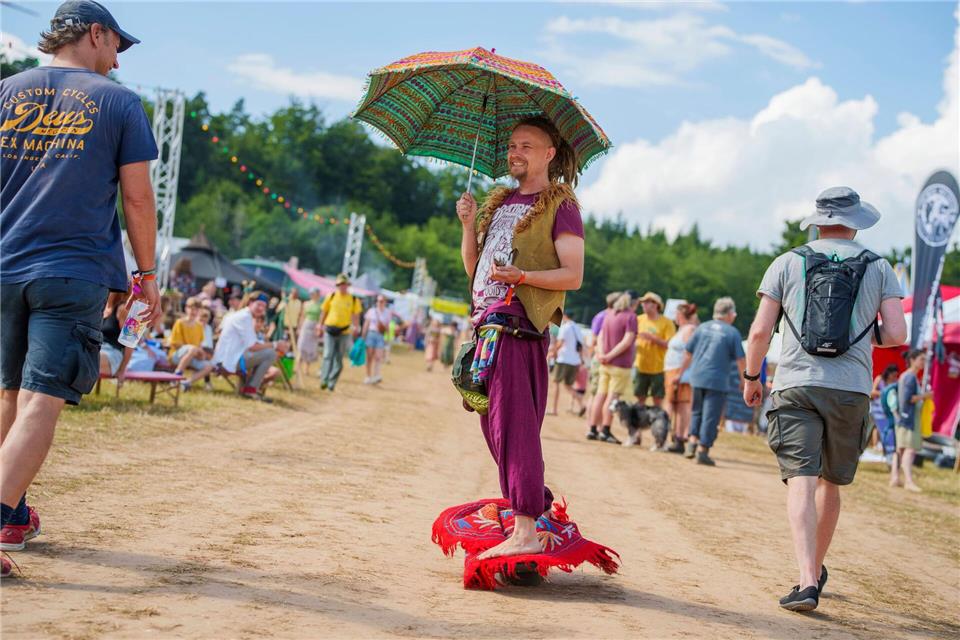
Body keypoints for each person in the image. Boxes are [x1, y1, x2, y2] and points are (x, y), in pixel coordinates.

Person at [0, 1, 159, 577]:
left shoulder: (5, 91)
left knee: (8, 396)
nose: (117, 61)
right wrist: (147, 276)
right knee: (41, 399)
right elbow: (137, 197)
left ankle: (13, 515)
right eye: (117, 45)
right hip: (71, 271)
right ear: (95, 34)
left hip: (3, 266)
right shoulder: (119, 102)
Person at [743, 186, 906, 612]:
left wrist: (752, 377)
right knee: (829, 482)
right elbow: (896, 334)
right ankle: (816, 567)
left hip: (797, 382)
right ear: (856, 223)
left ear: (817, 221)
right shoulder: (879, 267)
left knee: (800, 477)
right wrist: (860, 337)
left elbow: (759, 332)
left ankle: (806, 581)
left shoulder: (787, 262)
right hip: (851, 387)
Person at [455, 115, 584, 560]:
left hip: (518, 326)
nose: (515, 152)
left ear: (549, 154)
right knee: (494, 427)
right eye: (512, 145)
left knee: (515, 427)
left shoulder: (560, 205)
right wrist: (468, 224)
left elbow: (573, 275)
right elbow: (474, 268)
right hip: (486, 325)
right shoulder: (500, 202)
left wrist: (523, 275)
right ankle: (534, 509)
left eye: (526, 146)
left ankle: (526, 526)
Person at [677, 297, 746, 466]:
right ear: (729, 314)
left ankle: (691, 443)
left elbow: (688, 353)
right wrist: (744, 380)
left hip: (697, 377)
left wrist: (680, 374)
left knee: (696, 411)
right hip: (717, 380)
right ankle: (702, 451)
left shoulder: (702, 327)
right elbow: (741, 360)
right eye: (733, 313)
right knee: (711, 416)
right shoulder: (732, 332)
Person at [212, 292, 289, 400]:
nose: (261, 308)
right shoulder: (244, 317)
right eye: (259, 304)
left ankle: (252, 387)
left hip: (231, 358)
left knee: (268, 353)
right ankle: (251, 390)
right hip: (226, 362)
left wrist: (274, 345)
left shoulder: (245, 316)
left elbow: (253, 344)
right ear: (250, 303)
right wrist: (276, 345)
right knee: (271, 354)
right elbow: (253, 346)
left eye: (264, 306)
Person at [588, 292, 639, 444]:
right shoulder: (631, 317)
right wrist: (610, 355)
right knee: (612, 397)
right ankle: (605, 430)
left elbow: (601, 336)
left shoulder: (609, 314)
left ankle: (592, 429)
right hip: (620, 363)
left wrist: (602, 354)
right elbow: (627, 341)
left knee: (600, 395)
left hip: (604, 363)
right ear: (633, 303)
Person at [663, 302, 699, 453]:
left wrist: (680, 373)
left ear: (680, 315)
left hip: (679, 371)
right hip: (673, 370)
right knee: (675, 404)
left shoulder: (689, 329)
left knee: (679, 405)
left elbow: (688, 353)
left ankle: (678, 437)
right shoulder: (682, 329)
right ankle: (675, 437)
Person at [316, 274, 361, 391]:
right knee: (327, 355)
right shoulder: (331, 296)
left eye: (344, 284)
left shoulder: (353, 299)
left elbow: (356, 315)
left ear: (347, 285)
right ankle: (324, 380)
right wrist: (319, 325)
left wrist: (356, 327)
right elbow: (324, 312)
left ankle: (332, 382)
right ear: (337, 285)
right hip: (330, 330)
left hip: (344, 332)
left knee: (338, 359)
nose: (342, 286)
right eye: (340, 284)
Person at [892, 350, 928, 492]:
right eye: (921, 359)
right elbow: (908, 399)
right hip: (908, 419)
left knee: (900, 449)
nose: (924, 362)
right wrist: (925, 396)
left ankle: (895, 478)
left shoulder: (907, 376)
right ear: (912, 360)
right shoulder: (910, 377)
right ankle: (908, 481)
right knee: (909, 449)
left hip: (903, 418)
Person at [633, 292, 675, 408]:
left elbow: (669, 344)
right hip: (640, 365)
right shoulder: (638, 319)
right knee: (639, 398)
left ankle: (656, 419)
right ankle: (640, 418)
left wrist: (652, 338)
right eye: (643, 302)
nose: (643, 305)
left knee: (657, 399)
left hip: (659, 367)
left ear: (656, 304)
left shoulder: (667, 323)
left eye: (647, 302)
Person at [168, 297, 215, 391]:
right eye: (191, 308)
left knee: (209, 366)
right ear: (186, 308)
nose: (193, 311)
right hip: (176, 355)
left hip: (192, 356)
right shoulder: (180, 322)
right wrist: (194, 350)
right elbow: (175, 344)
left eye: (196, 309)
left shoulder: (199, 326)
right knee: (192, 349)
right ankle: (176, 377)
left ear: (199, 311)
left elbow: (199, 346)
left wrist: (201, 354)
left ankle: (186, 383)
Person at [549, 311, 584, 416]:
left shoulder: (565, 327)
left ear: (565, 316)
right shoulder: (577, 328)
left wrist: (553, 353)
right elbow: (580, 346)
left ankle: (554, 409)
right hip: (575, 361)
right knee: (568, 385)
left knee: (556, 383)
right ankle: (582, 404)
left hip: (563, 359)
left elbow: (560, 343)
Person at [362, 295, 398, 384]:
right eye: (378, 301)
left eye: (381, 301)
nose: (379, 303)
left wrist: (388, 338)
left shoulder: (387, 312)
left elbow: (387, 326)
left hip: (380, 335)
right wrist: (363, 335)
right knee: (369, 357)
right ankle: (368, 376)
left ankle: (376, 375)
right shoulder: (371, 311)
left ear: (385, 302)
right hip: (371, 334)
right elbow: (366, 324)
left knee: (378, 357)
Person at [296, 289, 323, 383]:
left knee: (310, 348)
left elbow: (321, 318)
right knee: (301, 346)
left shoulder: (321, 305)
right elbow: (302, 316)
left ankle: (306, 368)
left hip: (314, 326)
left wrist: (319, 328)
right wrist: (299, 327)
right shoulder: (306, 304)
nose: (313, 295)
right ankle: (298, 366)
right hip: (306, 325)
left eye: (314, 294)